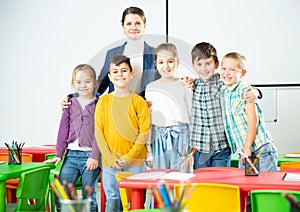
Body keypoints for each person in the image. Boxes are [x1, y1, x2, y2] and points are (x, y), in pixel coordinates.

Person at [190, 42, 261, 169]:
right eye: (199, 64)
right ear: (193, 66)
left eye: (208, 63)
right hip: (200, 147)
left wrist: (256, 92)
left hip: (221, 147)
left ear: (216, 64)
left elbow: (241, 87)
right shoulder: (192, 86)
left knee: (220, 182)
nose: (204, 68)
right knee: (202, 185)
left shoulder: (223, 81)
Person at [94, 55, 150, 212]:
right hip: (110, 162)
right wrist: (111, 158)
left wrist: (129, 158)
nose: (120, 74)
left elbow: (144, 132)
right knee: (113, 199)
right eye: (115, 71)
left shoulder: (139, 102)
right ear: (110, 77)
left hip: (136, 162)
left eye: (124, 70)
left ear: (132, 74)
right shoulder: (103, 103)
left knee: (136, 201)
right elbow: (99, 132)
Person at [44, 64, 101, 212]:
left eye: (87, 81)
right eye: (79, 82)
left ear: (95, 83)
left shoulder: (100, 104)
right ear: (73, 84)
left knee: (89, 196)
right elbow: (63, 130)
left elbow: (101, 133)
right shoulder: (70, 103)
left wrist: (95, 156)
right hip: (71, 156)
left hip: (90, 157)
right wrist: (58, 153)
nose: (83, 85)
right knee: (63, 192)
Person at [220, 52, 278, 171]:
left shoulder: (245, 90)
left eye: (232, 70)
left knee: (267, 187)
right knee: (249, 187)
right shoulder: (224, 91)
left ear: (243, 73)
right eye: (224, 68)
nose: (226, 73)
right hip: (244, 151)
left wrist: (247, 147)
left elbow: (253, 119)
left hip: (260, 149)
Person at [145, 43, 193, 170]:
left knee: (182, 176)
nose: (165, 66)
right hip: (158, 136)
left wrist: (192, 143)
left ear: (177, 62)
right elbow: (149, 118)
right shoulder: (150, 87)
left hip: (181, 136)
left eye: (170, 61)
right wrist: (148, 150)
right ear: (156, 64)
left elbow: (191, 114)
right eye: (161, 62)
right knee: (161, 177)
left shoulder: (185, 85)